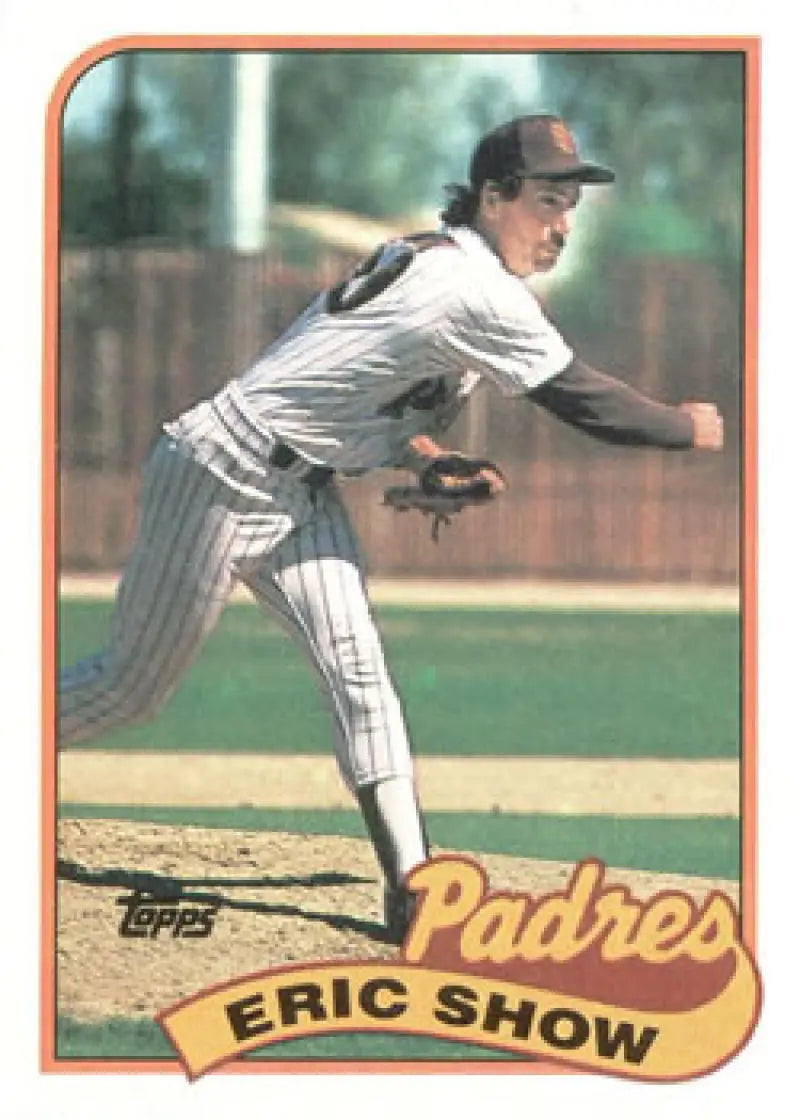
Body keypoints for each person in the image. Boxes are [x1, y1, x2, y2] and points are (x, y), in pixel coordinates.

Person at [58, 114, 723, 943]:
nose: (563, 224)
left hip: (299, 489)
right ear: (494, 196)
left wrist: (423, 459)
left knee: (361, 675)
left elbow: (348, 384)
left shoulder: (429, 262)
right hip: (220, 469)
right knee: (131, 688)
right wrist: (684, 426)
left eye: (571, 205)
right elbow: (588, 402)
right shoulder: (473, 289)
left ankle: (413, 886)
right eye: (550, 199)